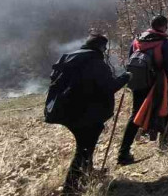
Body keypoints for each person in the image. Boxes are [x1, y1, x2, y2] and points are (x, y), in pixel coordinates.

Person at [49, 34, 129, 195]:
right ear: (100, 47)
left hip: (66, 110)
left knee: (85, 146)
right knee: (84, 149)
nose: (105, 50)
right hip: (86, 114)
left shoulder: (70, 58)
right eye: (104, 47)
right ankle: (70, 188)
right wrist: (126, 77)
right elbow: (109, 87)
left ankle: (88, 174)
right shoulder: (95, 63)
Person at [118, 15, 168, 166]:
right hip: (158, 83)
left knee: (135, 115)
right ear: (163, 26)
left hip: (138, 82)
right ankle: (164, 141)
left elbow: (131, 59)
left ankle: (123, 153)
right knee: (163, 109)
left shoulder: (137, 41)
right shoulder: (164, 43)